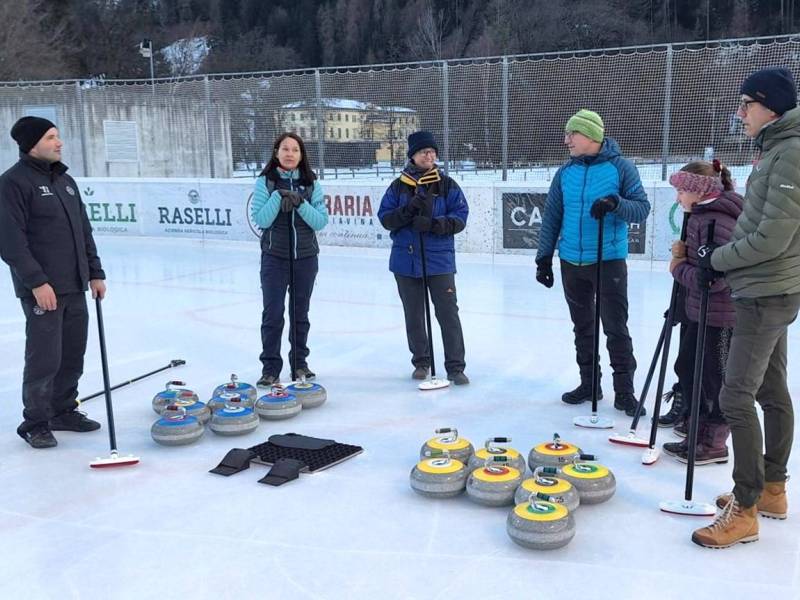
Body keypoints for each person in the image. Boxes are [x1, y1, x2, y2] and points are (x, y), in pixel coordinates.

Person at [692, 67, 800, 548]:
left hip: (765, 291)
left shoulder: (791, 154)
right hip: (769, 287)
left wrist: (715, 258)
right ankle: (772, 489)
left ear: (771, 107)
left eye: (746, 105)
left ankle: (747, 506)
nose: (740, 114)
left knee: (736, 397)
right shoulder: (777, 150)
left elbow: (772, 239)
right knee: (771, 389)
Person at [535, 109, 650, 416]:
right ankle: (589, 384)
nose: (566, 140)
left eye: (571, 134)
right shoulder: (565, 173)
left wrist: (615, 203)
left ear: (590, 136)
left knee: (615, 327)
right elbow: (552, 218)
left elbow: (641, 209)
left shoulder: (621, 168)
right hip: (571, 261)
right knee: (583, 328)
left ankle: (625, 391)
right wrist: (544, 257)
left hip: (608, 260)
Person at [0, 116, 106, 449]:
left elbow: (83, 231)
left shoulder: (66, 182)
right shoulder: (13, 183)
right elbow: (10, 240)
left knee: (73, 353)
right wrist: (37, 282)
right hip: (43, 290)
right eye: (51, 137)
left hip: (74, 285)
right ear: (32, 144)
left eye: (58, 136)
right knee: (45, 358)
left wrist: (95, 272)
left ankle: (63, 410)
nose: (59, 143)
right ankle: (36, 421)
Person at [661, 160, 743, 465]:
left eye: (682, 190)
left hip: (721, 318)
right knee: (688, 368)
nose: (677, 197)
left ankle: (714, 441)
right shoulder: (701, 216)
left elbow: (719, 279)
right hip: (700, 313)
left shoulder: (718, 221)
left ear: (698, 191)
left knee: (714, 378)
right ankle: (697, 425)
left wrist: (679, 267)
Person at [377, 131, 469, 384]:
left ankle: (455, 366)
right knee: (414, 314)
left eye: (431, 152)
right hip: (405, 262)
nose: (429, 156)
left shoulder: (447, 184)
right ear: (413, 156)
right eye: (423, 152)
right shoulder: (399, 186)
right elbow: (386, 218)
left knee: (448, 313)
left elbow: (460, 216)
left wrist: (433, 224)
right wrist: (409, 210)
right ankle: (421, 361)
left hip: (439, 261)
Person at [250, 132, 328, 387]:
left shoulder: (311, 183)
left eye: (295, 150)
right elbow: (261, 220)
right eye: (285, 149)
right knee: (273, 314)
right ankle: (270, 367)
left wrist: (299, 203)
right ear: (276, 153)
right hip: (274, 257)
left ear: (301, 155)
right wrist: (278, 196)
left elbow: (320, 221)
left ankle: (299, 363)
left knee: (300, 314)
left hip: (305, 257)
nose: (290, 154)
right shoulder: (265, 182)